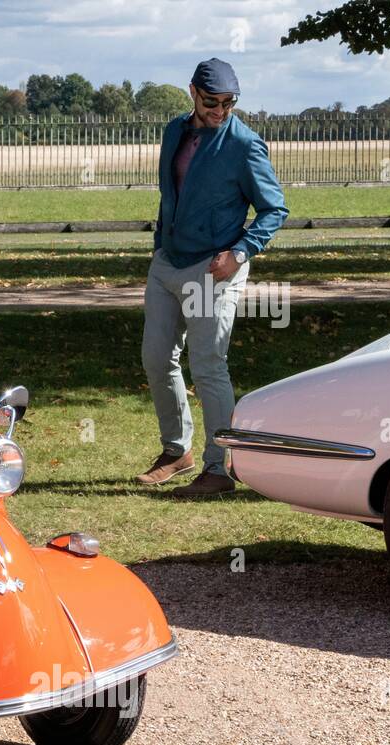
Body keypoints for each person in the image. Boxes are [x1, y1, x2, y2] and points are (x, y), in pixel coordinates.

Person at [137, 58, 288, 497]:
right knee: (155, 357)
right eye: (212, 102)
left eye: (228, 103)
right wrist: (160, 246)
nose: (220, 110)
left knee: (207, 367)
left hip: (215, 268)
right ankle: (175, 451)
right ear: (192, 93)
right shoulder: (174, 132)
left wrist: (239, 253)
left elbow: (275, 209)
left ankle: (219, 468)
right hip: (168, 262)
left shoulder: (244, 145)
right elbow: (172, 194)